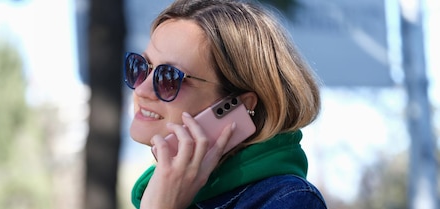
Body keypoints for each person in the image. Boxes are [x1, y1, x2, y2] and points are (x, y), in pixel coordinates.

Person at [123, 0, 327, 208]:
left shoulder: (289, 200)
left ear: (238, 104)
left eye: (169, 77)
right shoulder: (161, 193)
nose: (141, 90)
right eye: (140, 67)